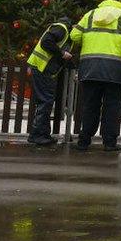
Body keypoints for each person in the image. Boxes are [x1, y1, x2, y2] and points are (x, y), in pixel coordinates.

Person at [70, 0, 121, 151]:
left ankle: (84, 141)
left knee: (90, 104)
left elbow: (75, 36)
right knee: (112, 105)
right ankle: (109, 143)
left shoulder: (90, 14)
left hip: (90, 67)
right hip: (116, 68)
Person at [27, 17, 74, 146]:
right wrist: (62, 53)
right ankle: (37, 135)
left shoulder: (61, 30)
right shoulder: (61, 28)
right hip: (42, 68)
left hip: (42, 68)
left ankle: (43, 134)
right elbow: (46, 42)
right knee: (45, 100)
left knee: (45, 101)